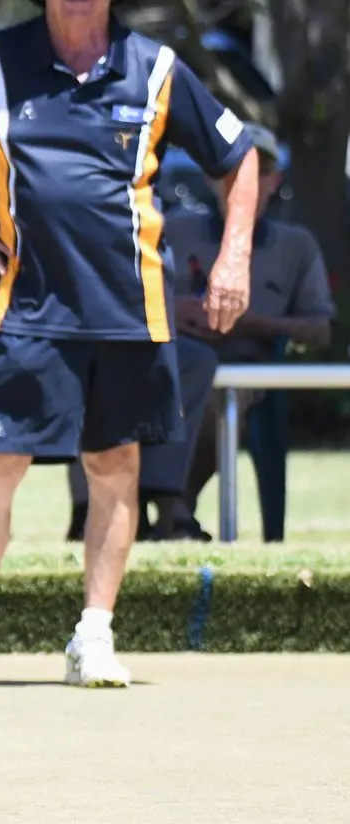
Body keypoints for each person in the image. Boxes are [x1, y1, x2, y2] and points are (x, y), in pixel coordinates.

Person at [0, 0, 258, 689]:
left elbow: (238, 158)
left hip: (129, 307)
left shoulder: (156, 70)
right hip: (28, 303)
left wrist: (232, 257)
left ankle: (93, 635)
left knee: (113, 464)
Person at [0, 169, 220, 543]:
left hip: (105, 313)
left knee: (192, 359)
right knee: (91, 359)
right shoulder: (12, 152)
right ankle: (88, 509)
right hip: (15, 315)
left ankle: (165, 500)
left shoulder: (116, 141)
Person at [167, 124, 335, 538]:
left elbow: (320, 329)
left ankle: (176, 512)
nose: (243, 184)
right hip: (180, 365)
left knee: (223, 400)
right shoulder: (176, 230)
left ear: (274, 181)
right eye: (231, 171)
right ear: (210, 177)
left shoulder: (295, 246)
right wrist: (179, 312)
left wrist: (248, 323)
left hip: (253, 369)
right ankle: (162, 514)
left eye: (258, 172)